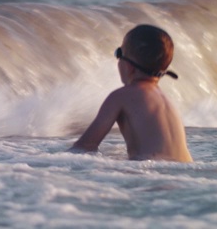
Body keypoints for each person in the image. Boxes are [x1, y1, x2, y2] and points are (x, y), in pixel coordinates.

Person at [70, 24, 193, 162]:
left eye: (119, 53)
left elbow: (85, 146)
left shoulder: (121, 96)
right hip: (185, 172)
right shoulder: (167, 101)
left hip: (154, 176)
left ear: (129, 66)